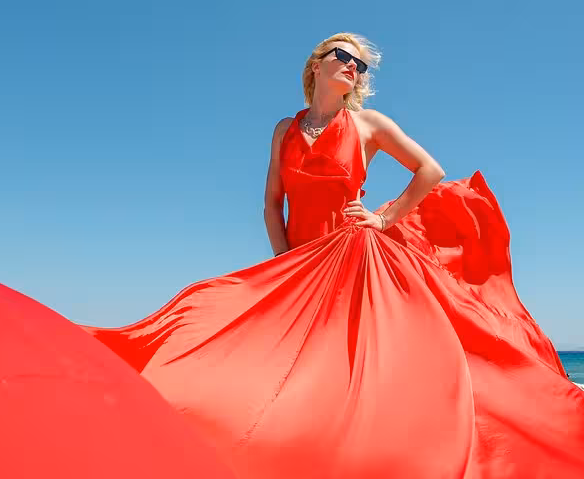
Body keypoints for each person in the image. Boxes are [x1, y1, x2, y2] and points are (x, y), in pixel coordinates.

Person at [83, 32, 584, 478]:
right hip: (300, 266)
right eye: (344, 56)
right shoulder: (285, 129)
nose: (354, 68)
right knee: (204, 313)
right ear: (315, 65)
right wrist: (284, 267)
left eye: (362, 65)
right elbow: (270, 205)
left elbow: (429, 170)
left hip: (353, 260)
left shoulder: (367, 125)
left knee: (347, 376)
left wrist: (384, 220)